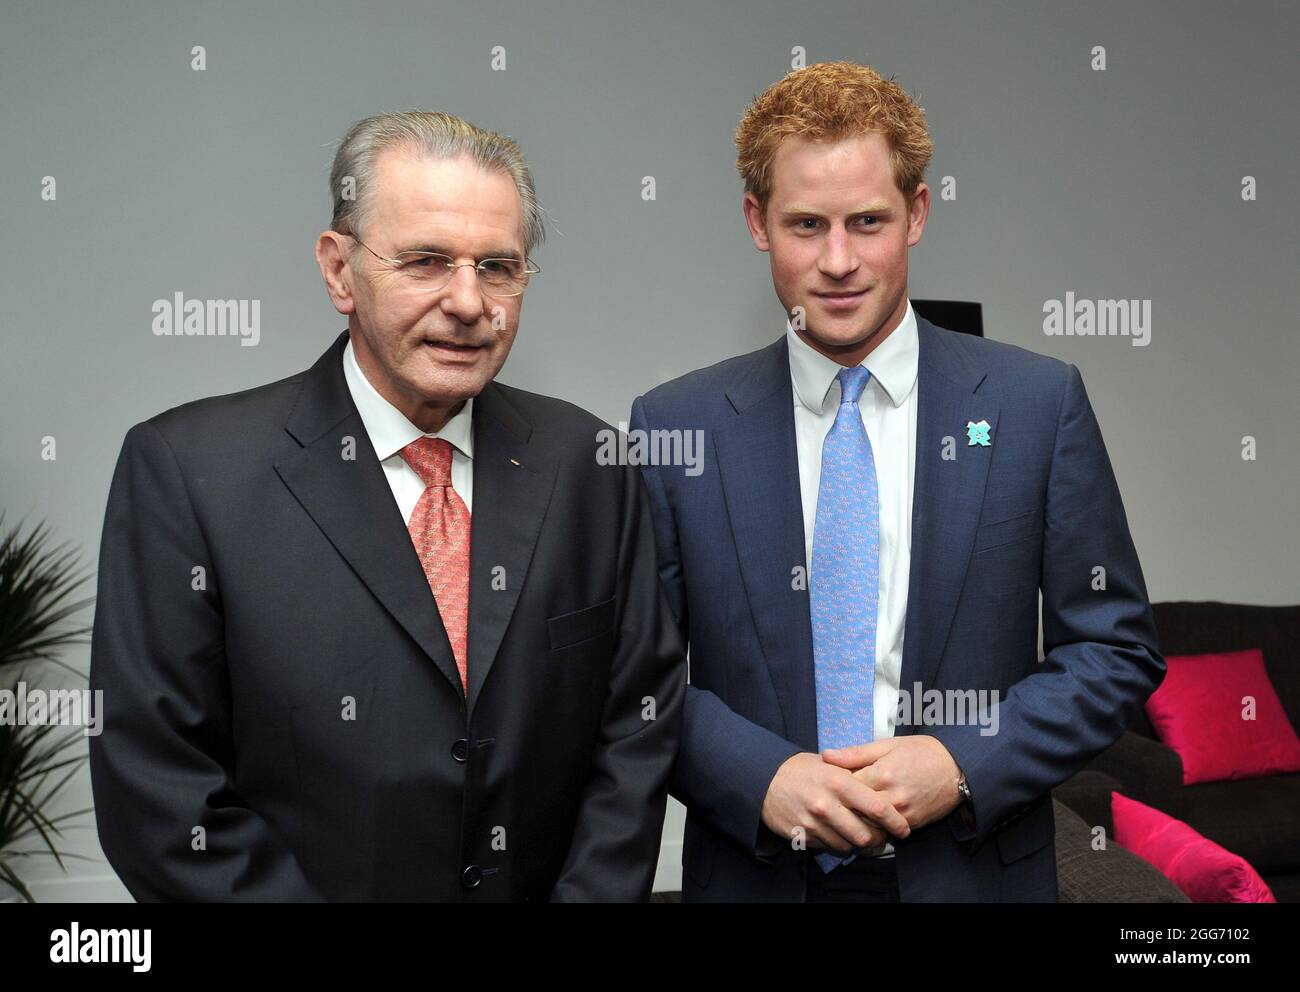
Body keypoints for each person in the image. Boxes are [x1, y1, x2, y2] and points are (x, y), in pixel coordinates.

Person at [89, 111, 685, 901]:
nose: (469, 302)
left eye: (499, 267)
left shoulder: (591, 465)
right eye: (427, 261)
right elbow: (158, 788)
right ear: (339, 270)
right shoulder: (190, 473)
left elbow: (634, 733)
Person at [630, 62, 1164, 902]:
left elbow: (1114, 650)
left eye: (867, 221)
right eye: (806, 223)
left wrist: (962, 760)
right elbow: (636, 679)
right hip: (758, 875)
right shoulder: (676, 424)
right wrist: (759, 775)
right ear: (756, 222)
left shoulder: (1037, 404)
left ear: (916, 213)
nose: (838, 261)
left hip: (972, 869)